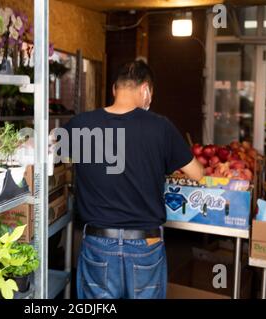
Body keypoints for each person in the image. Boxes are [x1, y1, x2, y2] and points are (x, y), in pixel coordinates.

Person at [62, 59, 203, 299]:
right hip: (145, 246)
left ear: (114, 89)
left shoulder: (79, 125)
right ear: (146, 90)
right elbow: (197, 174)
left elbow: (61, 161)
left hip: (97, 244)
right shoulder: (161, 127)